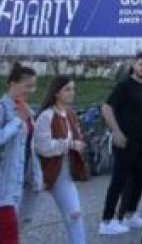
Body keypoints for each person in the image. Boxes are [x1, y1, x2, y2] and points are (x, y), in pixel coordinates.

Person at [100, 52, 142, 236]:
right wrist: (116, 131)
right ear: (134, 64)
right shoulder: (124, 86)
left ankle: (130, 214)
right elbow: (106, 108)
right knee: (119, 180)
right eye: (141, 64)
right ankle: (106, 220)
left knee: (141, 178)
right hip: (125, 141)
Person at [34, 76, 87, 244]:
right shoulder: (46, 116)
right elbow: (43, 147)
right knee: (20, 217)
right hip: (50, 170)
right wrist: (70, 144)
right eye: (68, 89)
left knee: (75, 216)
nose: (72, 93)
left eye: (73, 88)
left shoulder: (70, 113)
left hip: (65, 172)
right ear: (56, 93)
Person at [1, 63, 41, 244]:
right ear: (12, 83)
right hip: (4, 186)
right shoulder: (3, 108)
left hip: (22, 183)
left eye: (33, 86)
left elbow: (30, 147)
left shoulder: (25, 109)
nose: (31, 90)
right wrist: (18, 121)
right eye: (27, 86)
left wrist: (37, 175)